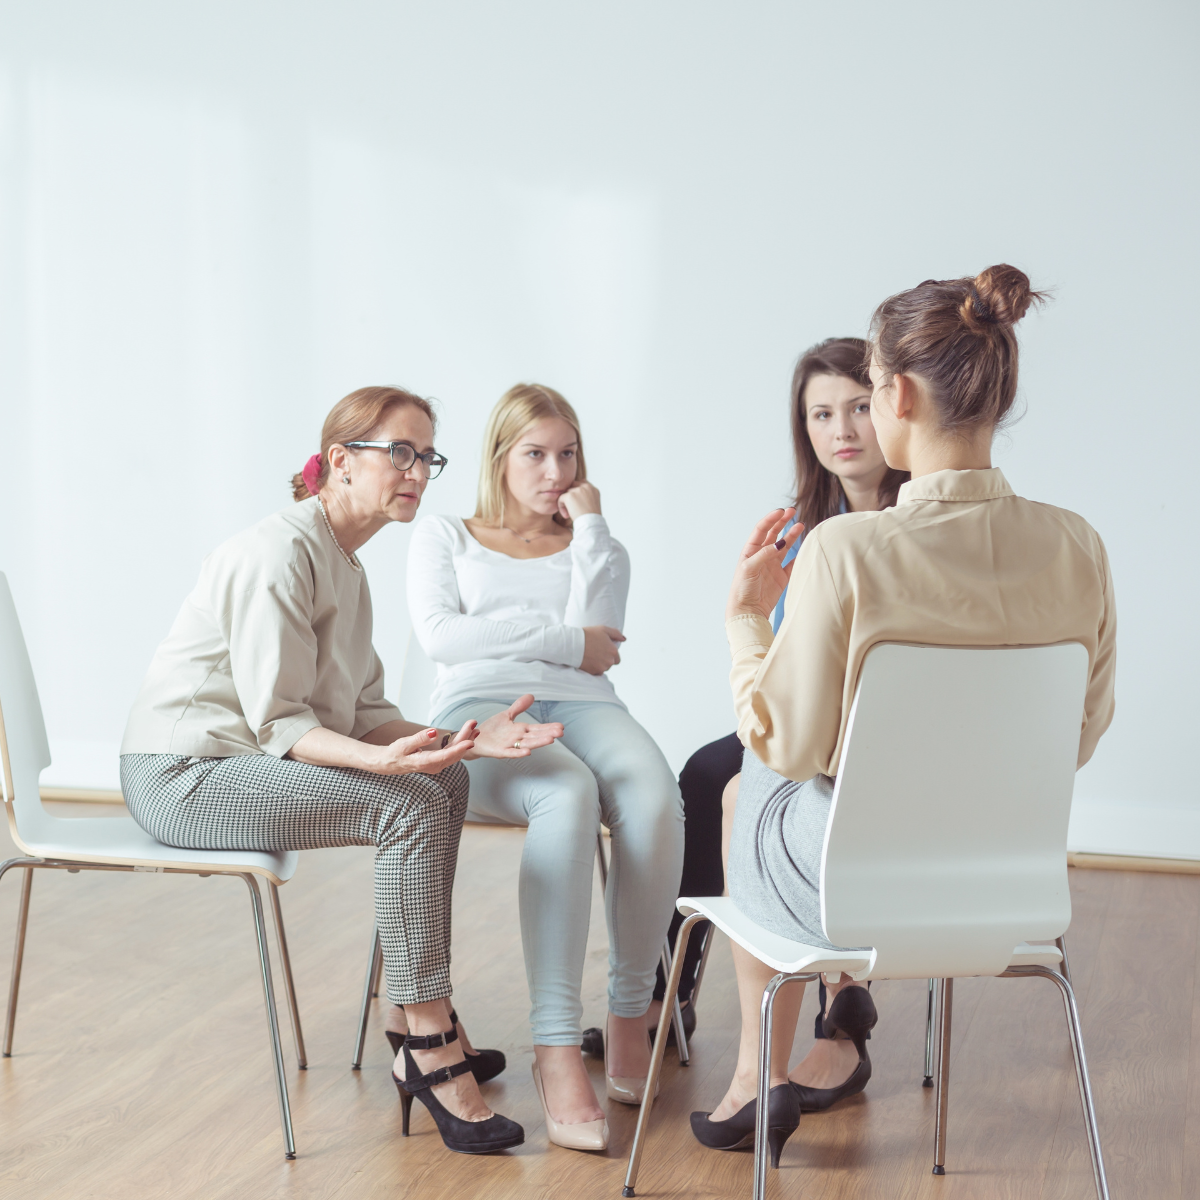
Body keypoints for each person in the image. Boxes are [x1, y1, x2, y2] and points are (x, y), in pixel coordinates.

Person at [692, 265, 1116, 1164]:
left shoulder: (844, 551)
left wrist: (741, 620)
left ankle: (755, 1075)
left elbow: (783, 738)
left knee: (752, 769)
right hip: (1008, 887)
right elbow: (1077, 733)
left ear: (897, 393)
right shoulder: (1079, 546)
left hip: (853, 889)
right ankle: (812, 1046)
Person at [120, 385, 566, 1157]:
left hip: (241, 764)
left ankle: (406, 1016)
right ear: (339, 461)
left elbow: (363, 712)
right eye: (399, 452)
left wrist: (458, 738)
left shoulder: (346, 563)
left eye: (427, 456)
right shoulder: (281, 551)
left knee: (443, 781)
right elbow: (282, 724)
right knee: (410, 803)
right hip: (183, 775)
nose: (417, 472)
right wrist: (386, 763)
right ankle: (428, 1040)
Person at [406, 383, 685, 1152]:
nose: (553, 470)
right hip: (478, 712)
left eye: (568, 455)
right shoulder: (445, 534)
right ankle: (555, 1048)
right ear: (500, 458)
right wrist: (558, 640)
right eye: (534, 454)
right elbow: (441, 638)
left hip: (588, 704)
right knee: (566, 790)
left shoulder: (597, 542)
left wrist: (591, 526)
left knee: (653, 795)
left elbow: (605, 630)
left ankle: (629, 1012)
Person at [643, 338, 907, 1112]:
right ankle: (676, 984)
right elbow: (782, 673)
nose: (841, 429)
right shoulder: (799, 526)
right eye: (820, 414)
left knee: (769, 789)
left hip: (876, 734)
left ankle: (839, 994)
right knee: (703, 771)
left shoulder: (918, 521)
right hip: (808, 719)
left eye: (858, 407)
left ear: (894, 408)